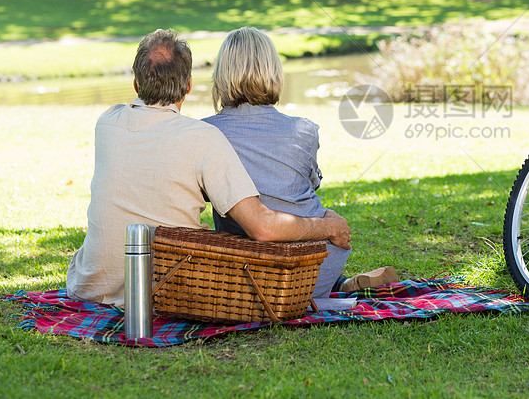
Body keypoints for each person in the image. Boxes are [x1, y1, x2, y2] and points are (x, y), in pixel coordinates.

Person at [66, 29, 351, 306]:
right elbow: (263, 227)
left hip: (89, 286)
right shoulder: (203, 137)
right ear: (189, 85)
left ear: (136, 86)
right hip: (166, 289)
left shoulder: (107, 121)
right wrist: (327, 226)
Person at [203, 27, 397, 297]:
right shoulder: (303, 130)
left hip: (245, 271)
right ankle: (336, 285)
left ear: (221, 76)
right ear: (274, 72)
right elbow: (302, 190)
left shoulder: (205, 133)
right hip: (315, 261)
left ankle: (335, 287)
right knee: (318, 213)